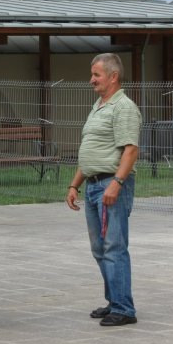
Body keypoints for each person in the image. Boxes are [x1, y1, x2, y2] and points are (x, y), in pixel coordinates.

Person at [65, 53, 141, 327]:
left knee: (114, 247)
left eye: (96, 75)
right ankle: (114, 301)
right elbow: (91, 151)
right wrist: (75, 184)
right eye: (92, 74)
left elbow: (130, 150)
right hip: (93, 185)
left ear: (113, 76)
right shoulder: (99, 106)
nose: (92, 80)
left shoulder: (124, 107)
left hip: (110, 185)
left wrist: (116, 183)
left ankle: (124, 309)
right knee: (100, 248)